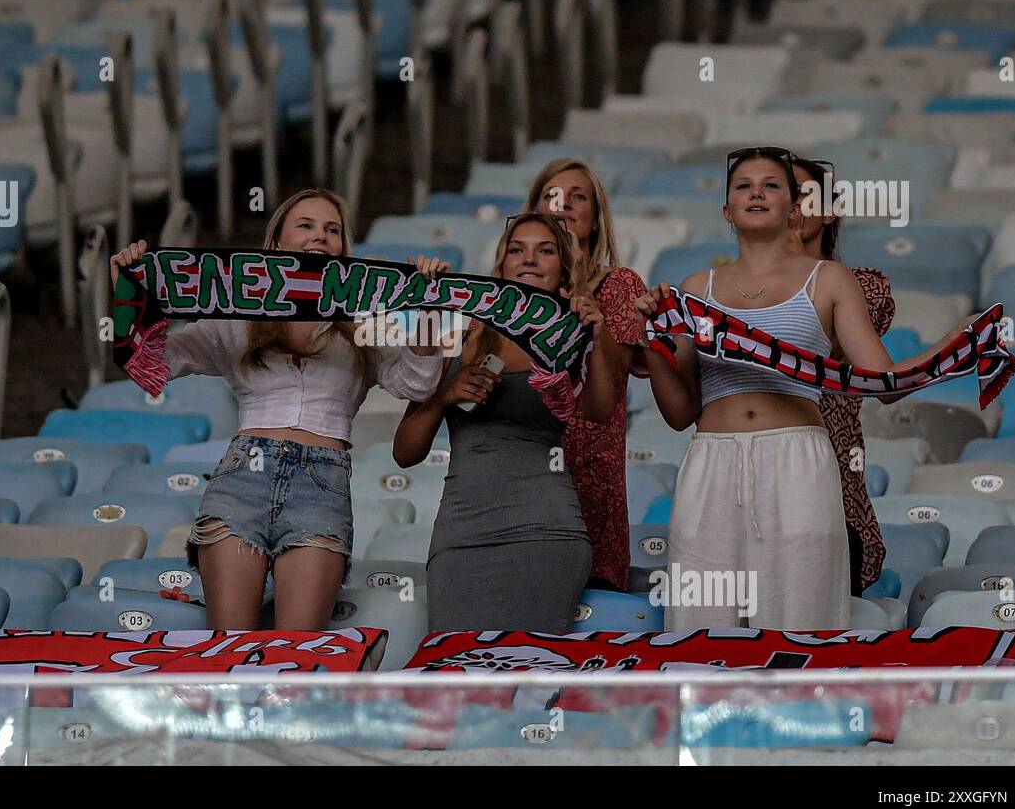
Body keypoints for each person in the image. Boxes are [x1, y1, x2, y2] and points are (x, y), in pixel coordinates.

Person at [109, 189, 446, 632]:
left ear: (344, 248)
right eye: (305, 226)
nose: (319, 237)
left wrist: (428, 307)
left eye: (332, 230)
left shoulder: (366, 319)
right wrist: (131, 287)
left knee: (296, 658)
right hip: (241, 479)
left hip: (320, 486)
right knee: (229, 651)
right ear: (277, 243)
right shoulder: (239, 312)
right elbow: (152, 364)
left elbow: (418, 383)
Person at [634, 148, 941, 631]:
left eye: (772, 185)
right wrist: (650, 340)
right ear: (726, 210)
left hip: (798, 460)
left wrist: (957, 341)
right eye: (743, 186)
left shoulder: (831, 279)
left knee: (800, 623)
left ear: (795, 207)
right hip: (710, 460)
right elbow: (680, 412)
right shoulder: (695, 287)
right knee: (700, 627)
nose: (757, 192)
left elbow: (885, 385)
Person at [393, 212, 622, 633]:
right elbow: (405, 453)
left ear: (562, 269)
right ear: (502, 264)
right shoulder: (461, 335)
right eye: (517, 250)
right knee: (458, 671)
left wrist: (599, 336)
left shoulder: (571, 332)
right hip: (461, 535)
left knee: (530, 669)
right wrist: (445, 395)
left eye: (545, 251)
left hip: (545, 532)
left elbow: (600, 411)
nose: (529, 260)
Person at [525, 158, 646, 591]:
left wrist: (576, 284)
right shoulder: (507, 293)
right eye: (552, 196)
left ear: (595, 221)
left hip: (593, 481)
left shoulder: (621, 285)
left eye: (578, 197)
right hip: (526, 479)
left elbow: (610, 382)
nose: (564, 205)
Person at [791, 156, 892, 595]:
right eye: (778, 193)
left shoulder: (860, 286)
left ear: (829, 210)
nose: (790, 205)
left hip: (831, 500)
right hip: (746, 493)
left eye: (803, 195)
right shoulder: (727, 290)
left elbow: (809, 335)